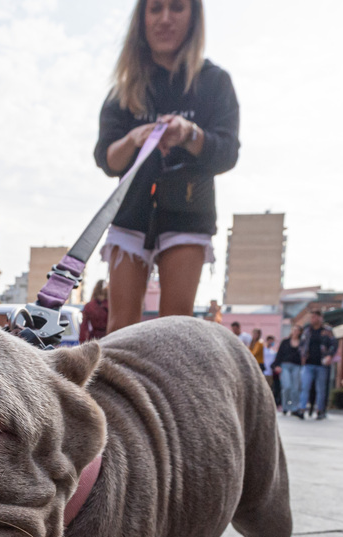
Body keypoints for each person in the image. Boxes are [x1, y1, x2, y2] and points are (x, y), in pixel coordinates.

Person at [94, 0, 240, 334]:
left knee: (175, 327)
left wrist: (190, 134)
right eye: (155, 8)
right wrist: (134, 139)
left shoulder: (214, 83)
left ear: (193, 17)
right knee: (120, 329)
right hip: (130, 213)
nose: (165, 19)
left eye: (176, 8)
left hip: (189, 210)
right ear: (141, 18)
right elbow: (106, 160)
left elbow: (227, 153)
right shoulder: (124, 89)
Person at [295, 311, 336, 420]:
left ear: (320, 318)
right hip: (308, 363)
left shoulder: (327, 331)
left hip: (322, 364)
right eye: (312, 317)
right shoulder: (307, 330)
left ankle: (320, 411)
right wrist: (303, 356)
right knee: (305, 387)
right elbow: (301, 345)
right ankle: (302, 409)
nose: (313, 319)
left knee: (320, 389)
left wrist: (330, 356)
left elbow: (334, 344)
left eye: (315, 317)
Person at [273, 325, 303, 415]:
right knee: (287, 386)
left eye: (297, 330)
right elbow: (279, 354)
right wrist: (276, 365)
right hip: (285, 365)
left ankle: (294, 407)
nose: (295, 332)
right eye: (294, 330)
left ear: (300, 332)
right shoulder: (285, 342)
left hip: (297, 366)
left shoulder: (302, 343)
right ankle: (285, 406)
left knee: (295, 388)